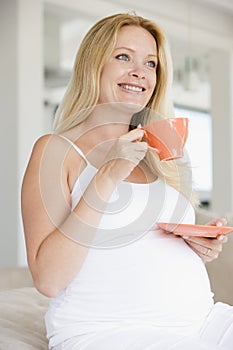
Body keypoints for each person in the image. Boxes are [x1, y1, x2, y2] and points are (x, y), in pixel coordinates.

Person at [21, 13, 233, 350]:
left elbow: (147, 243)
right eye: (123, 57)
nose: (140, 72)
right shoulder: (56, 151)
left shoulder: (157, 155)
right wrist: (106, 178)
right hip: (110, 331)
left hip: (202, 322)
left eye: (151, 63)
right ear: (94, 64)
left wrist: (199, 246)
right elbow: (48, 279)